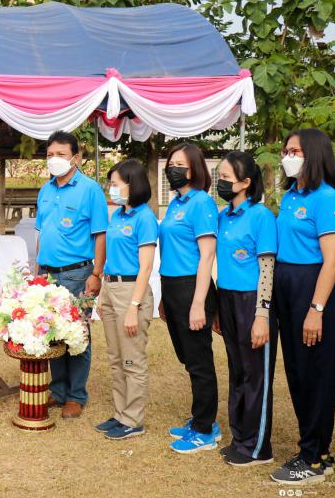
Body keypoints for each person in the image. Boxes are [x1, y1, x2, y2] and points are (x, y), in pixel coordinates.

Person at [269, 129, 335, 486]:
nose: (288, 156)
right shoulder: (289, 196)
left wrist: (316, 309)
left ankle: (312, 458)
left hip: (314, 289)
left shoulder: (326, 198)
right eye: (286, 150)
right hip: (287, 288)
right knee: (298, 372)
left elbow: (332, 260)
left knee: (317, 375)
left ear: (314, 154)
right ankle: (319, 449)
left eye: (295, 151)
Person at [34, 131, 107, 419]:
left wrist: (97, 273)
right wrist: (37, 271)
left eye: (61, 154)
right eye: (50, 154)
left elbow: (100, 234)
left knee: (77, 334)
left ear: (76, 157)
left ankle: (76, 395)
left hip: (78, 273)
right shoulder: (45, 190)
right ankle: (59, 390)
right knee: (53, 331)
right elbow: (42, 233)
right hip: (47, 275)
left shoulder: (90, 190)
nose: (54, 159)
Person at [214, 151, 278, 467]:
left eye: (226, 177)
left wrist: (261, 316)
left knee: (255, 375)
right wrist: (217, 308)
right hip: (227, 298)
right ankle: (240, 438)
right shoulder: (223, 216)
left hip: (253, 301)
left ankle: (258, 448)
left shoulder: (261, 216)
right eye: (220, 176)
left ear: (245, 183)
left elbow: (267, 269)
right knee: (238, 370)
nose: (220, 182)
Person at [158, 142, 220, 453]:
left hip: (191, 288)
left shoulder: (201, 202)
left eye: (180, 164)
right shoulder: (175, 203)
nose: (173, 169)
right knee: (187, 357)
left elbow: (207, 255)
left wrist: (198, 303)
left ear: (195, 168)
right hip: (171, 287)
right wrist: (163, 297)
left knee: (199, 360)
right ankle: (200, 417)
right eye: (171, 164)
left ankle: (205, 429)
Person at [94, 159, 158, 440]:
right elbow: (110, 257)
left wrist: (134, 307)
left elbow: (146, 267)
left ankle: (133, 419)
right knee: (116, 358)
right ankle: (121, 414)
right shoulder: (118, 216)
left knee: (132, 360)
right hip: (111, 287)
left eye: (115, 183)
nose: (111, 188)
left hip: (131, 291)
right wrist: (103, 293)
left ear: (133, 184)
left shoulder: (144, 218)